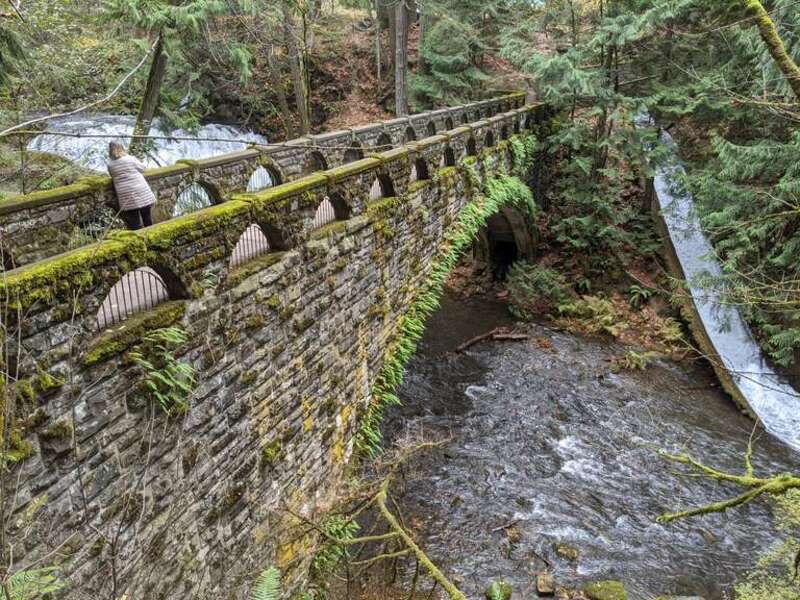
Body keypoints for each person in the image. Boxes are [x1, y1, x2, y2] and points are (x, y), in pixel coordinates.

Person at [107, 141, 156, 230]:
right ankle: (151, 235)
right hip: (140, 190)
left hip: (125, 194)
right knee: (147, 217)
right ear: (121, 148)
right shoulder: (130, 159)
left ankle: (139, 237)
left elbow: (112, 176)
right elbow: (143, 168)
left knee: (135, 222)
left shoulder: (110, 165)